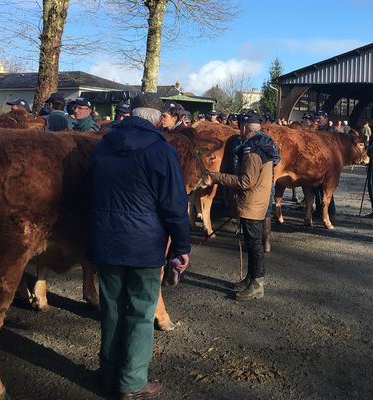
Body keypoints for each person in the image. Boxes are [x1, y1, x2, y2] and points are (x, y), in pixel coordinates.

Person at [87, 108, 191, 398]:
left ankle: (108, 375)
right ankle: (131, 383)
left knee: (112, 310)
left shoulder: (103, 145)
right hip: (144, 245)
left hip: (106, 241)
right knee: (141, 312)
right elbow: (174, 205)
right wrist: (182, 247)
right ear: (158, 120)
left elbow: (89, 188)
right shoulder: (162, 151)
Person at [205, 111, 279, 300]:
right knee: (252, 245)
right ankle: (250, 278)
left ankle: (257, 285)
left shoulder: (253, 153)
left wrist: (217, 177)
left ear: (245, 128)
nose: (239, 130)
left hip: (253, 204)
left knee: (254, 246)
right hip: (259, 201)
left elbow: (246, 182)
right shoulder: (264, 145)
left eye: (240, 127)